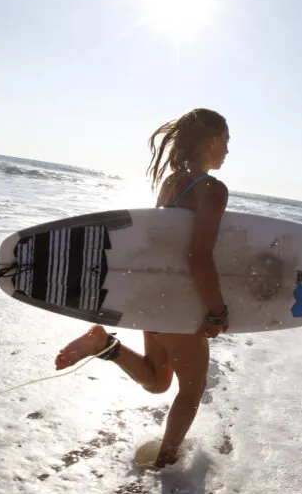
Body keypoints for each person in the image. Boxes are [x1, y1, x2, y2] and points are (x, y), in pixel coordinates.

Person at [54, 107, 231, 468]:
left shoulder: (172, 182)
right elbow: (199, 257)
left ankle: (105, 345)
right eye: (226, 141)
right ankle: (166, 462)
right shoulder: (212, 190)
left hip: (152, 295)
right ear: (212, 141)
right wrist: (217, 311)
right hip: (178, 301)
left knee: (158, 379)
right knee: (192, 389)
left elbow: (159, 243)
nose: (228, 150)